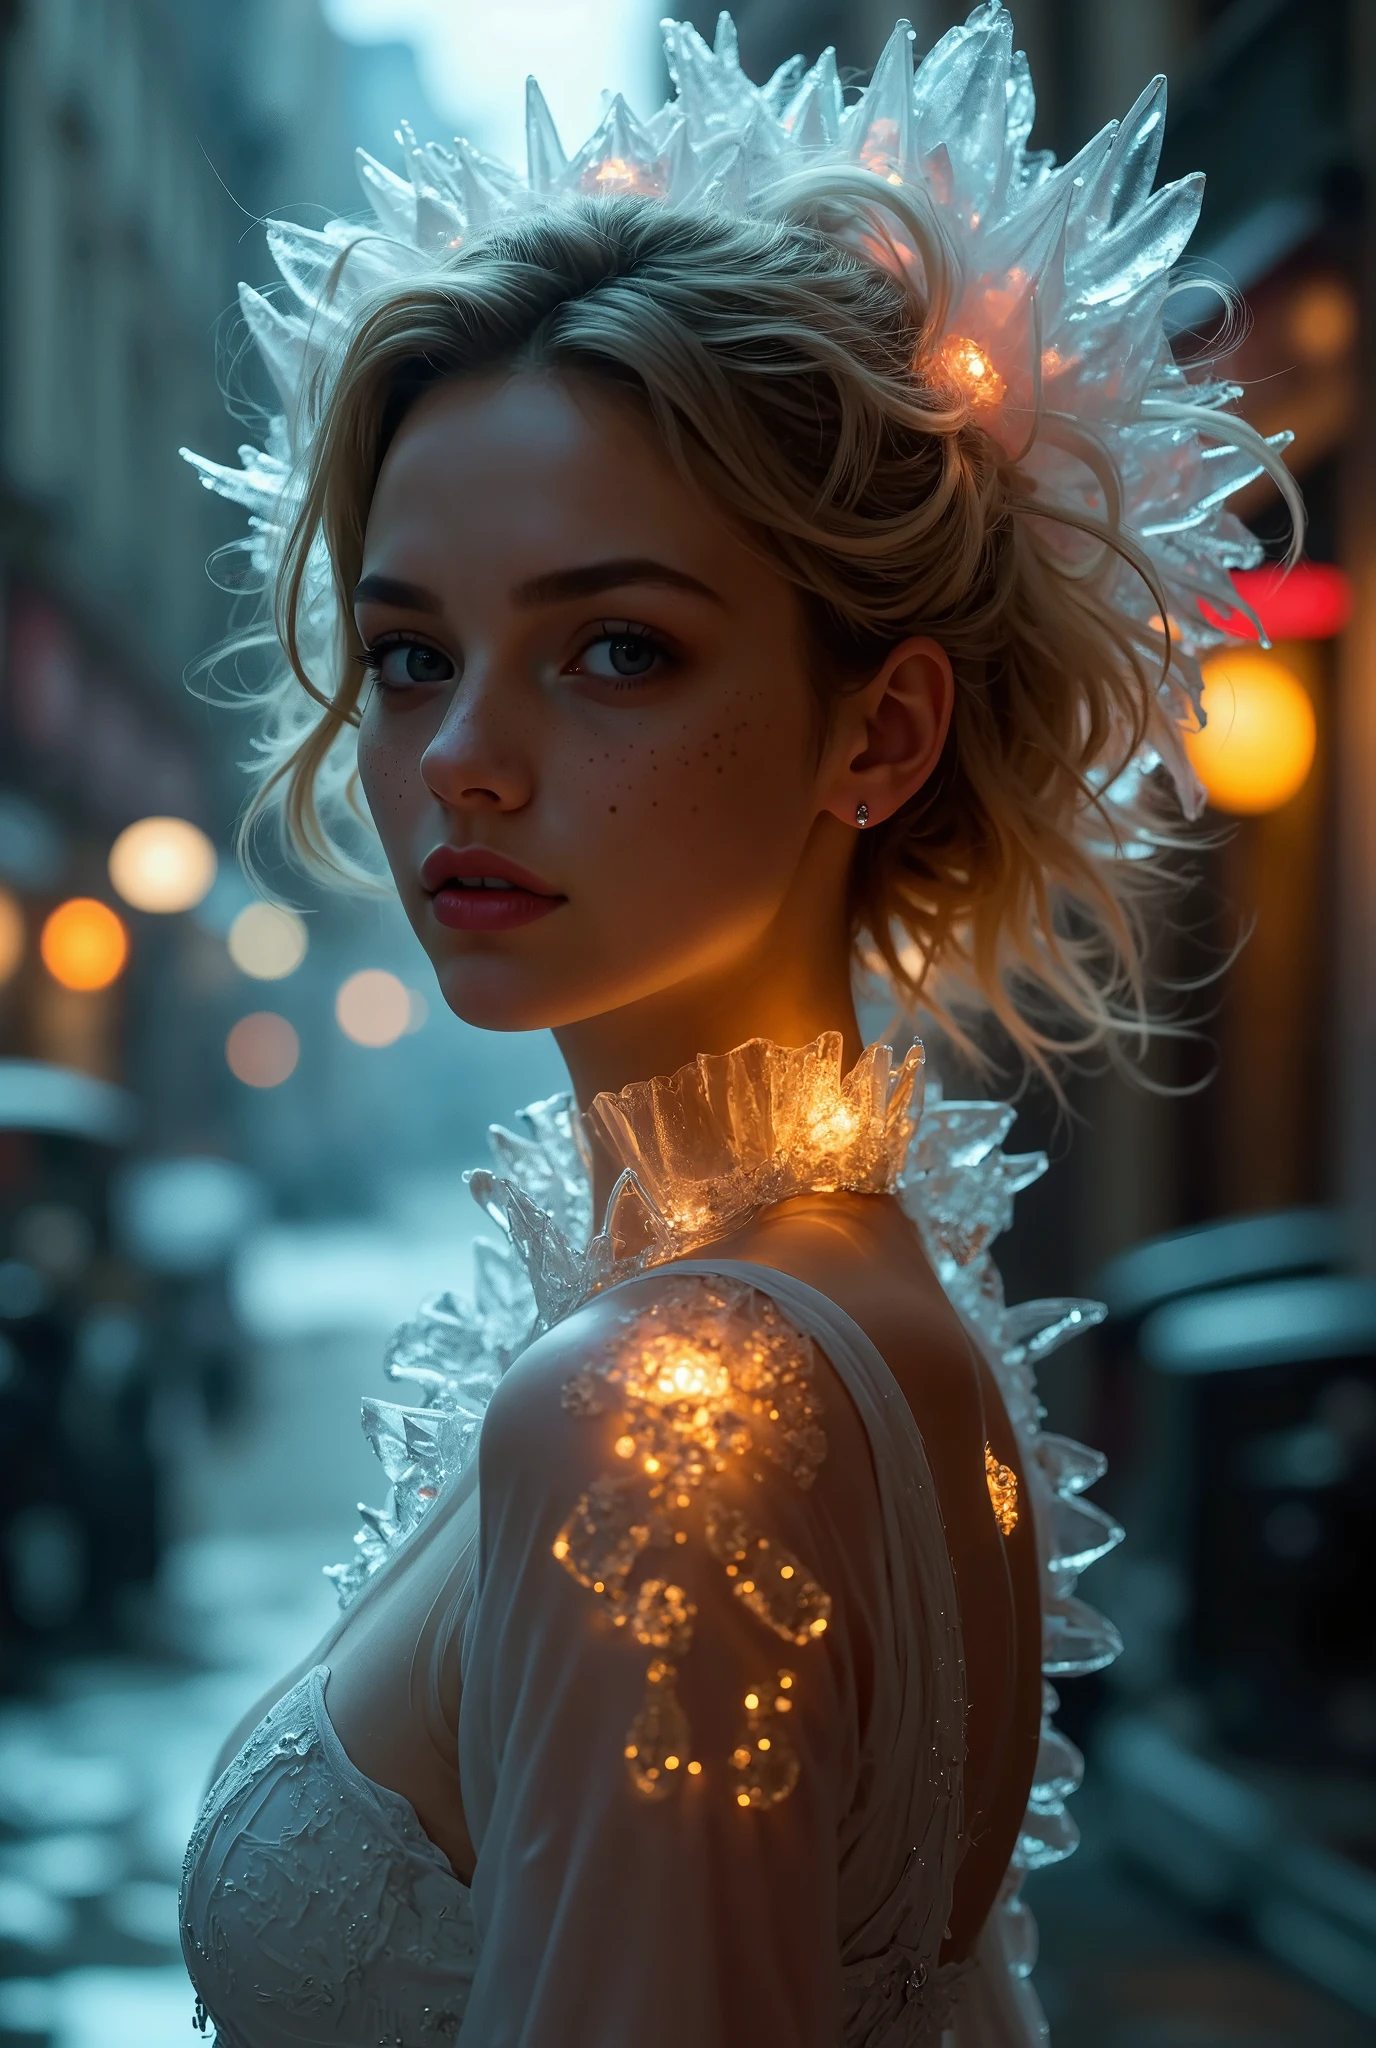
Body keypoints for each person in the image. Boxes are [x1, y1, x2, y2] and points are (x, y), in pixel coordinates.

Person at [178, 9, 1297, 2043]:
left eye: (615, 647)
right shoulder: (832, 1293)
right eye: (413, 651)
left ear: (876, 728)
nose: (464, 762)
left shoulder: (671, 1409)